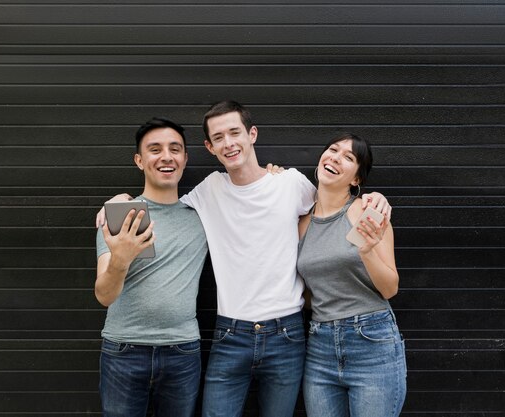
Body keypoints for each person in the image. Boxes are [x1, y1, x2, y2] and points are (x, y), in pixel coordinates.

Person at [96, 101, 392, 417]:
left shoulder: (291, 183)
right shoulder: (208, 190)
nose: (229, 143)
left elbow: (332, 204)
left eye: (235, 132)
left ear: (252, 134)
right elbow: (163, 204)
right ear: (210, 147)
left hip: (287, 333)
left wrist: (371, 198)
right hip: (229, 334)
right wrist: (120, 201)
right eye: (219, 137)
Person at [94, 117, 208, 417]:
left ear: (185, 158)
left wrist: (273, 172)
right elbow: (104, 295)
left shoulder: (204, 215)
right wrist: (122, 257)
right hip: (123, 351)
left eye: (175, 149)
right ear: (139, 160)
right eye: (155, 149)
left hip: (183, 352)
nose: (166, 156)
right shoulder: (120, 216)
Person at [296, 133, 407, 417]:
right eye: (333, 150)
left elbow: (390, 288)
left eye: (348, 157)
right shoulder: (302, 223)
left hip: (371, 341)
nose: (335, 157)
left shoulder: (366, 211)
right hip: (320, 345)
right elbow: (309, 293)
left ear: (356, 179)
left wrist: (367, 251)